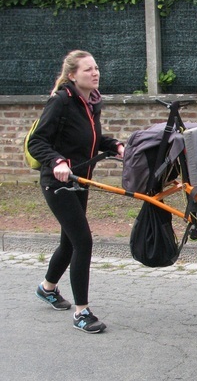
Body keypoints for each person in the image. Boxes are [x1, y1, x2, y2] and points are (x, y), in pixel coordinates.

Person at [29, 50, 125, 333]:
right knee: (83, 241)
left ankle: (47, 287)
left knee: (69, 241)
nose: (95, 73)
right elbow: (38, 142)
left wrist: (116, 145)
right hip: (57, 183)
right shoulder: (61, 101)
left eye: (96, 68)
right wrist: (56, 161)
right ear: (72, 75)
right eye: (88, 70)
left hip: (79, 180)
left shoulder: (91, 102)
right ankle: (81, 313)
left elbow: (91, 138)